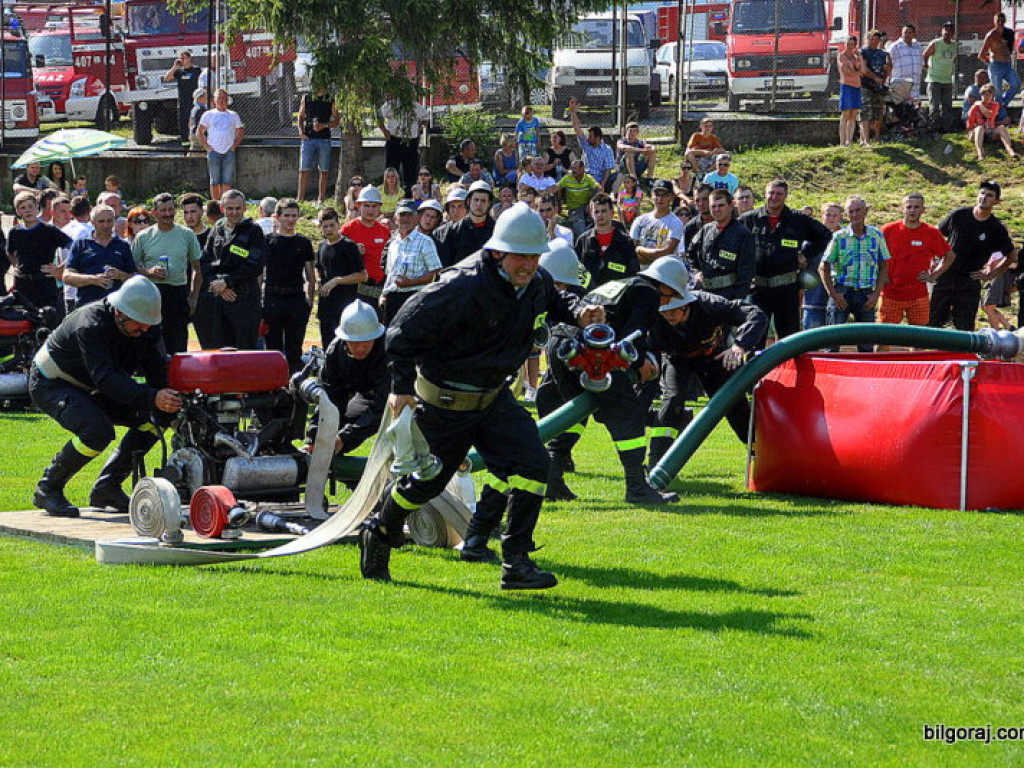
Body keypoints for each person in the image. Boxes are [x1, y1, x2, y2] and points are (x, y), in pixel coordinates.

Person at [356, 202, 605, 588]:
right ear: (497, 251)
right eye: (520, 256)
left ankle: (517, 563)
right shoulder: (462, 285)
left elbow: (556, 303)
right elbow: (400, 333)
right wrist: (401, 389)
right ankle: (379, 531)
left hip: (493, 400)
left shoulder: (535, 282)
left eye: (535, 256)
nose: (528, 265)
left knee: (533, 464)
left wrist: (580, 311)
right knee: (426, 482)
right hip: (445, 405)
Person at [543, 255, 690, 505]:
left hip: (561, 343)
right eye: (671, 295)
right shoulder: (648, 292)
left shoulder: (622, 283)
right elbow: (634, 332)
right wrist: (640, 362)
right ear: (665, 286)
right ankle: (637, 487)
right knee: (628, 414)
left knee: (574, 414)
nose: (667, 302)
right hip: (592, 350)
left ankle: (552, 479)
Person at [30, 276, 180, 517]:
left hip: (95, 384)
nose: (144, 331)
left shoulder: (147, 327)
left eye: (148, 326)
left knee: (157, 419)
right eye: (139, 325)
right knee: (96, 431)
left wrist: (166, 400)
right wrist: (152, 397)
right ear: (120, 312)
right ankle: (48, 488)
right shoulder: (90, 324)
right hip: (53, 381)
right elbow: (106, 379)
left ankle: (107, 488)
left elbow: (157, 371)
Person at [647, 289, 769, 464]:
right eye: (664, 310)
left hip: (712, 357)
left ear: (686, 304)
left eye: (673, 310)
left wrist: (739, 346)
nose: (668, 315)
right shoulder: (654, 313)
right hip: (676, 360)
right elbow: (648, 344)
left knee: (734, 404)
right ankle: (656, 463)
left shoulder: (709, 303)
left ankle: (760, 455)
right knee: (672, 401)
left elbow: (756, 315)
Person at [740, 178, 833, 340]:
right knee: (753, 337)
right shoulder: (749, 219)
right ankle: (756, 366)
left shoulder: (798, 220)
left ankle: (789, 366)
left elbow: (825, 235)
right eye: (771, 193)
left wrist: (806, 254)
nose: (774, 197)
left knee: (788, 338)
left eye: (779, 194)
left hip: (786, 288)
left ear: (785, 196)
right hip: (757, 288)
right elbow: (733, 240)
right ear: (764, 194)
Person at [303, 300, 389, 457]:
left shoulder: (388, 351)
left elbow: (383, 405)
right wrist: (314, 438)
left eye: (366, 342)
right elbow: (329, 398)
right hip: (364, 395)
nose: (361, 348)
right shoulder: (334, 353)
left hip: (399, 398)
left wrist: (344, 438)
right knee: (338, 426)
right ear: (345, 339)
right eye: (355, 343)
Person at [929, 180, 1015, 331]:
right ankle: (927, 354)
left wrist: (991, 274)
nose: (984, 197)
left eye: (989, 195)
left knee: (965, 327)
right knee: (931, 323)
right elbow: (934, 236)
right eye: (982, 193)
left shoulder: (996, 227)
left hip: (969, 280)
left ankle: (961, 355)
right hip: (945, 276)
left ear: (996, 201)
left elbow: (1011, 256)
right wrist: (932, 261)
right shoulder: (959, 215)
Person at [131, 192, 203, 355]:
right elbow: (132, 268)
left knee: (177, 344)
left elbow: (197, 270)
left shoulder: (187, 235)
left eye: (171, 210)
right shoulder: (143, 237)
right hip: (151, 294)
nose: (168, 214)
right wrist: (149, 271)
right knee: (150, 343)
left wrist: (193, 298)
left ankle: (177, 379)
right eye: (163, 210)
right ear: (154, 212)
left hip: (177, 294)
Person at [194, 189, 266, 350]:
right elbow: (206, 261)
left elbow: (255, 265)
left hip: (245, 301)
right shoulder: (217, 228)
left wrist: (227, 282)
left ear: (245, 208)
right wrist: (217, 285)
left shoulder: (254, 231)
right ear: (222, 209)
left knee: (245, 351)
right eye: (229, 209)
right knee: (221, 350)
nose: (234, 212)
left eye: (238, 208)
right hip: (219, 300)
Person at [819, 195, 890, 352]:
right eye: (851, 211)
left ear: (866, 212)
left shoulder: (876, 235)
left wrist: (876, 294)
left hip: (866, 293)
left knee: (866, 344)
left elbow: (884, 265)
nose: (855, 214)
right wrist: (833, 294)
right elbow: (823, 266)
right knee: (832, 342)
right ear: (847, 214)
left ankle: (865, 374)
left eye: (858, 210)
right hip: (842, 291)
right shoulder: (839, 237)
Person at [878, 193, 954, 335]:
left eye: (916, 207)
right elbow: (873, 254)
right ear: (902, 209)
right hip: (890, 293)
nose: (912, 210)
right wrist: (879, 274)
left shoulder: (931, 232)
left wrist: (934, 275)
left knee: (919, 337)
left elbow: (949, 255)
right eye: (909, 207)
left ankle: (917, 358)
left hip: (918, 295)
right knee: (883, 337)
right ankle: (882, 358)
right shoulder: (888, 230)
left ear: (923, 210)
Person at [261, 198, 315, 370]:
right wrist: (259, 301)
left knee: (294, 350)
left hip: (296, 299)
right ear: (277, 217)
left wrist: (309, 301)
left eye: (294, 216)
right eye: (286, 215)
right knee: (273, 350)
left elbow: (310, 276)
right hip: (272, 298)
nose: (290, 220)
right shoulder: (267, 241)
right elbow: (258, 274)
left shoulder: (304, 243)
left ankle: (295, 386)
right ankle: (273, 389)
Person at [7, 191, 72, 315]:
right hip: (23, 286)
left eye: (31, 206)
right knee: (25, 322)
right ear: (18, 211)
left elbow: (75, 248)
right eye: (23, 208)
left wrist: (60, 268)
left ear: (37, 208)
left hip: (45, 284)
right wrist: (17, 266)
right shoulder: (14, 232)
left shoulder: (49, 230)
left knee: (48, 321)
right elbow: (10, 252)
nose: (28, 210)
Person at [688, 189, 756, 301]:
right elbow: (691, 254)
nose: (717, 210)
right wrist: (696, 272)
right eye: (713, 206)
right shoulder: (705, 230)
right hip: (705, 294)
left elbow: (747, 272)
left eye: (721, 205)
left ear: (731, 206)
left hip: (729, 295)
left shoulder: (743, 234)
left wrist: (736, 300)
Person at [63, 205, 136, 309]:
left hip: (116, 307)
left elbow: (134, 277)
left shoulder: (123, 245)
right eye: (101, 221)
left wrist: (120, 275)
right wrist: (94, 279)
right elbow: (67, 277)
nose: (106, 225)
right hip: (87, 306)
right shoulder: (81, 244)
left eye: (109, 221)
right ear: (93, 222)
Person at [380, 199, 441, 324]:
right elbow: (390, 274)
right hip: (392, 299)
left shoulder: (425, 241)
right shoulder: (393, 243)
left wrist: (411, 282)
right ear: (395, 219)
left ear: (416, 218)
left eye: (409, 215)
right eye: (402, 215)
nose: (405, 219)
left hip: (416, 297)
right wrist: (384, 294)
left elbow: (435, 273)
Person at [315, 206, 367, 349]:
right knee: (327, 344)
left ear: (339, 224)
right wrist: (320, 280)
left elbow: (362, 275)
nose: (329, 229)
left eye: (332, 225)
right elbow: (318, 268)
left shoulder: (349, 246)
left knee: (345, 345)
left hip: (345, 304)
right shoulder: (321, 246)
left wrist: (337, 280)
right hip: (326, 305)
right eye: (325, 226)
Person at [575, 192, 639, 287]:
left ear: (612, 213)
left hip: (616, 296)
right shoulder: (583, 241)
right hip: (588, 296)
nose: (600, 215)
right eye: (596, 212)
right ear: (591, 214)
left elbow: (633, 272)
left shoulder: (625, 241)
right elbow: (576, 270)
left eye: (604, 211)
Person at [341, 186, 390, 308]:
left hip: (381, 289)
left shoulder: (385, 231)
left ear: (379, 207)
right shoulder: (348, 229)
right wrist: (353, 252)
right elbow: (335, 255)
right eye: (366, 205)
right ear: (359, 206)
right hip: (356, 292)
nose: (370, 210)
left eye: (374, 206)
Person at [197, 88, 244, 200]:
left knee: (227, 180)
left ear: (227, 100)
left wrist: (234, 146)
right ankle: (216, 202)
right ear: (214, 100)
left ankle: (225, 202)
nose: (222, 101)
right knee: (215, 180)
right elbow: (199, 132)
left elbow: (240, 132)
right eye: (219, 98)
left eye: (224, 98)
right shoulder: (208, 114)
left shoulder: (233, 115)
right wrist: (207, 147)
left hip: (228, 151)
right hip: (214, 152)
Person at [297, 87, 340, 205]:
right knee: (304, 169)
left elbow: (337, 120)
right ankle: (300, 198)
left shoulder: (330, 99)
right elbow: (300, 116)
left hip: (324, 139)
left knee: (324, 169)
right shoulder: (306, 97)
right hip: (308, 138)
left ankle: (321, 199)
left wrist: (324, 125)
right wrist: (301, 132)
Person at [803, 201, 842, 330]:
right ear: (821, 216)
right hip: (814, 298)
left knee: (834, 341)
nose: (831, 218)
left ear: (840, 217)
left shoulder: (847, 238)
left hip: (838, 299)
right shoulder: (810, 238)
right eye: (828, 215)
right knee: (809, 341)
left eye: (835, 215)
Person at [378, 98, 428, 197]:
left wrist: (419, 130)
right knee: (391, 170)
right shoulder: (390, 104)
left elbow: (425, 119)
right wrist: (385, 131)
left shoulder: (416, 106)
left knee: (411, 171)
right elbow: (378, 116)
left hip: (411, 141)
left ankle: (409, 198)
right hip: (394, 140)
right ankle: (389, 196)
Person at [630, 180, 684, 264]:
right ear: (652, 196)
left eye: (665, 195)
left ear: (672, 197)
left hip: (663, 271)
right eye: (657, 195)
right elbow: (631, 249)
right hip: (639, 269)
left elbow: (667, 252)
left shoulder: (675, 223)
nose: (660, 199)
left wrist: (639, 249)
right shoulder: (640, 220)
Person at [568, 98, 616, 191]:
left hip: (599, 179)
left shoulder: (607, 149)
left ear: (598, 138)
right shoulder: (586, 145)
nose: (587, 138)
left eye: (590, 137)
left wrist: (602, 184)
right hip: (586, 176)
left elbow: (608, 170)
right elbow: (577, 127)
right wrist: (573, 112)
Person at [443, 180, 495, 265]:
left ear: (489, 203)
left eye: (483, 201)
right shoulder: (453, 231)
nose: (479, 204)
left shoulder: (496, 231)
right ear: (468, 201)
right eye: (476, 200)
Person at [923, 22, 957, 134]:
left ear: (953, 33)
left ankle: (946, 129)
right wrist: (926, 66)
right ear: (942, 31)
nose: (947, 32)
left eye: (950, 30)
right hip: (934, 80)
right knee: (934, 106)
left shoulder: (954, 45)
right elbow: (925, 55)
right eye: (945, 30)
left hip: (947, 80)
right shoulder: (936, 43)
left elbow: (954, 60)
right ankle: (933, 129)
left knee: (947, 106)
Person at [967, 84, 1017, 161]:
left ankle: (1009, 149)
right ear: (981, 95)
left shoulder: (995, 105)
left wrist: (980, 105)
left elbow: (989, 115)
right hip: (978, 133)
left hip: (990, 131)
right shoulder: (974, 107)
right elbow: (970, 125)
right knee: (980, 128)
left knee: (1002, 127)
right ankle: (980, 153)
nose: (987, 97)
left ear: (992, 96)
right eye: (984, 95)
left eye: (989, 95)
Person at [162, 50, 202, 145]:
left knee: (194, 123)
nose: (182, 60)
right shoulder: (179, 72)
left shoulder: (196, 70)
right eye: (181, 58)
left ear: (189, 58)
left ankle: (196, 143)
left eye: (184, 58)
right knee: (183, 125)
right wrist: (174, 66)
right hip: (182, 103)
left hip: (194, 102)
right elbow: (166, 78)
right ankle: (185, 145)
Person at [980, 12, 1019, 109]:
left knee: (1016, 84)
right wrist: (991, 63)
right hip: (996, 65)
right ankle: (999, 112)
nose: (1000, 23)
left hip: (1007, 65)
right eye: (998, 21)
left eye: (1002, 20)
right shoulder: (991, 35)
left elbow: (1011, 48)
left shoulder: (1009, 33)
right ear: (994, 22)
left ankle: (1003, 104)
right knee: (997, 92)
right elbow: (981, 55)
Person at [860, 30, 892, 144]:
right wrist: (875, 78)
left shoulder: (882, 54)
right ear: (867, 39)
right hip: (866, 86)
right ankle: (865, 139)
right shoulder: (863, 52)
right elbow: (864, 69)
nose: (874, 42)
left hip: (879, 87)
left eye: (877, 40)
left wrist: (883, 79)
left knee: (878, 112)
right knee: (866, 113)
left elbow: (887, 67)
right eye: (872, 39)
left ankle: (877, 137)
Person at [557, 159, 600, 237]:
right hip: (574, 209)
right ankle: (585, 242)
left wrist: (590, 203)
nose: (572, 171)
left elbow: (599, 189)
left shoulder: (588, 178)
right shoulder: (567, 178)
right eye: (572, 168)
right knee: (581, 229)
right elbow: (557, 188)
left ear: (582, 169)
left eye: (575, 168)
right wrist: (559, 204)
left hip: (587, 208)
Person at [838, 35, 865, 147]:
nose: (850, 46)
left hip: (856, 87)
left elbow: (863, 71)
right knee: (845, 114)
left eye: (852, 44)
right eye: (848, 44)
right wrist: (857, 73)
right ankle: (842, 142)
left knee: (853, 114)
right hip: (847, 86)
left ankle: (849, 141)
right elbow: (845, 70)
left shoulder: (855, 57)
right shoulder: (841, 56)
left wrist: (860, 58)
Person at [887, 25, 923, 101]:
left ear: (914, 34)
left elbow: (921, 63)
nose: (907, 35)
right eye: (905, 32)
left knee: (913, 111)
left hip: (915, 88)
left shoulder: (918, 46)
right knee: (898, 111)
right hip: (899, 87)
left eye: (910, 32)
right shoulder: (895, 47)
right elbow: (887, 63)